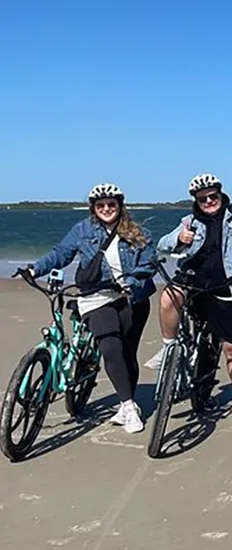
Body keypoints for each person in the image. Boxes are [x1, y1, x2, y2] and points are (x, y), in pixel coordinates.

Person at [31, 184, 156, 433]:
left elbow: (149, 262)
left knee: (127, 353)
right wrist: (35, 268)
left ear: (120, 206)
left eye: (111, 204)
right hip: (96, 297)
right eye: (101, 205)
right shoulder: (83, 230)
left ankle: (125, 402)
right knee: (110, 346)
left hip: (132, 298)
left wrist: (131, 282)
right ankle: (129, 406)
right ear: (93, 208)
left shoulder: (138, 232)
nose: (106, 209)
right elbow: (61, 253)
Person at [151, 173, 232, 423]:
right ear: (196, 200)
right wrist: (178, 239)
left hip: (229, 287)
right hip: (194, 280)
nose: (208, 201)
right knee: (169, 296)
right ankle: (168, 347)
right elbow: (161, 246)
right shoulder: (189, 221)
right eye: (202, 199)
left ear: (220, 194)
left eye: (212, 196)